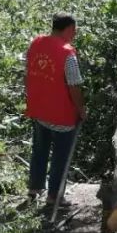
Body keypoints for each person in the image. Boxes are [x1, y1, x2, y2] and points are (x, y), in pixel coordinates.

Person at [24, 13, 85, 207]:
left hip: (39, 109)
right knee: (60, 156)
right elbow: (74, 86)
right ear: (67, 29)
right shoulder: (67, 53)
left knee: (40, 150)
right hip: (61, 114)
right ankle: (54, 196)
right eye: (74, 30)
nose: (74, 34)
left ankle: (34, 188)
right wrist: (81, 109)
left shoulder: (36, 43)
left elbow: (28, 72)